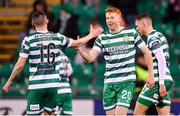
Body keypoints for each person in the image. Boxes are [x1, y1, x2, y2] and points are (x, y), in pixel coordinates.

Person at [2, 11, 103, 115]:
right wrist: (91, 35)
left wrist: (9, 81)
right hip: (53, 86)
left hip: (36, 86)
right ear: (47, 21)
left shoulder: (28, 40)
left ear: (32, 23)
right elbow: (77, 43)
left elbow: (19, 65)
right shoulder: (57, 37)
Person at [77, 7, 154, 115]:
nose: (109, 20)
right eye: (107, 18)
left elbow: (147, 52)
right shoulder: (102, 38)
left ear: (119, 18)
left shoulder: (132, 34)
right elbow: (89, 58)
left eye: (112, 17)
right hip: (109, 84)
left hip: (126, 82)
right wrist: (80, 49)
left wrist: (151, 74)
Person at [134, 13, 174, 115]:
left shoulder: (152, 38)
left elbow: (161, 59)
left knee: (137, 114)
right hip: (167, 79)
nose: (137, 28)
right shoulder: (160, 35)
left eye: (137, 25)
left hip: (157, 81)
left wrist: (160, 83)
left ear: (143, 24)